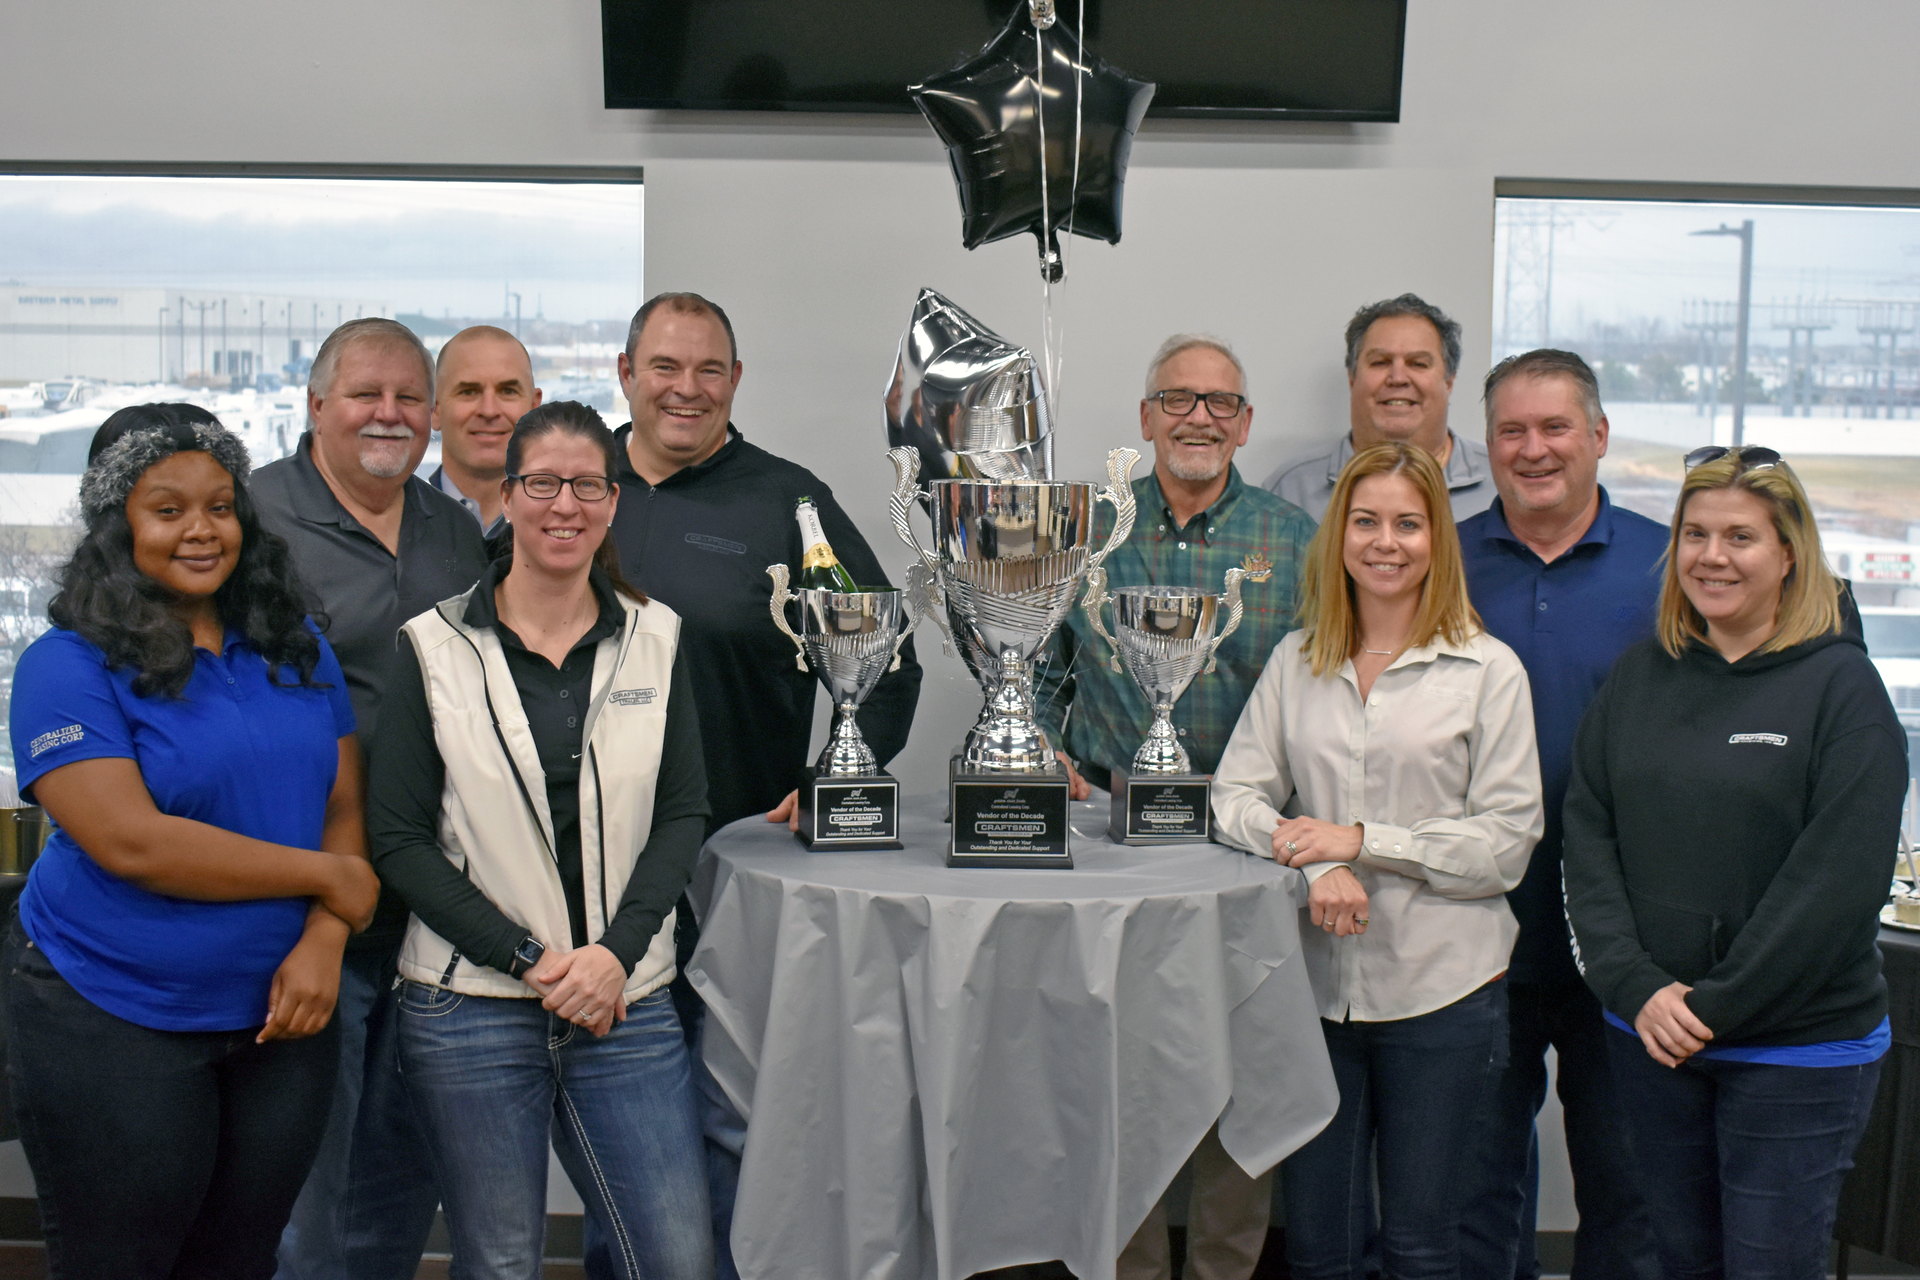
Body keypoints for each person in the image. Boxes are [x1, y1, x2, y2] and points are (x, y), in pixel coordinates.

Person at [3, 404, 377, 1279]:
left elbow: (341, 803)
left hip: (279, 1019)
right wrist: (331, 880)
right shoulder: (66, 665)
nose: (202, 531)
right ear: (115, 525)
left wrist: (325, 942)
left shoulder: (296, 646)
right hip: (113, 1011)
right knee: (124, 1263)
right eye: (166, 510)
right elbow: (132, 842)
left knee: (238, 1262)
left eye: (220, 505)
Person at [606, 290, 922, 1278]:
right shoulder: (572, 487)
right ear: (627, 374)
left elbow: (887, 652)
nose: (685, 388)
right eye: (665, 366)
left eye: (708, 370)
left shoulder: (790, 501)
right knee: (616, 1136)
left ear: (735, 382)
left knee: (732, 1120)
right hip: (588, 874)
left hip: (735, 874)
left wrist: (835, 769)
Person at [370, 401, 713, 1279]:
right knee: (502, 1261)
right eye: (544, 484)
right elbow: (400, 841)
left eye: (588, 485)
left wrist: (611, 957)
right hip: (469, 1007)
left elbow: (681, 814)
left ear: (613, 500)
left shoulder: (658, 639)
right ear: (509, 494)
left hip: (625, 1000)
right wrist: (532, 959)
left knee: (675, 1258)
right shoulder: (433, 647)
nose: (567, 505)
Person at [1563, 445, 1905, 1279]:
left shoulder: (1843, 691)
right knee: (1676, 1259)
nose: (1712, 557)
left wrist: (1714, 1006)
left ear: (1790, 552)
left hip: (1794, 1052)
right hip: (1652, 1038)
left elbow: (1835, 886)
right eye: (1695, 533)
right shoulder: (1643, 675)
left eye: (1741, 537)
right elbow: (1588, 832)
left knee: (1767, 1266)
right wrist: (1637, 987)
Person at [1213, 442, 1542, 1280]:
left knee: (1425, 1247)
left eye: (1407, 523)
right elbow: (1233, 800)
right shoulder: (1297, 661)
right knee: (1321, 1248)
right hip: (1314, 995)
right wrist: (1316, 865)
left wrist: (1361, 841)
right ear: (1340, 536)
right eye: (1365, 522)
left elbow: (1505, 846)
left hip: (1447, 994)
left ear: (1437, 539)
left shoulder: (1488, 671)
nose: (1384, 542)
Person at [1030, 333, 1315, 1280]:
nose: (1200, 417)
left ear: (1245, 425)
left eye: (1221, 403)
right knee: (1121, 1075)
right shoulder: (1091, 529)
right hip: (1112, 837)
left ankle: (1226, 1269)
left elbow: (1323, 689)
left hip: (1245, 846)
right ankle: (1133, 1267)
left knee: (1238, 1073)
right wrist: (1042, 753)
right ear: (1147, 416)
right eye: (1179, 399)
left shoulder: (1294, 539)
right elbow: (1037, 664)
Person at [254, 316, 490, 1280]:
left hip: (433, 896)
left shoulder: (454, 528)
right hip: (310, 896)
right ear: (316, 406)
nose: (388, 415)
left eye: (408, 398)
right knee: (310, 1162)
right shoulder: (254, 518)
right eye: (366, 395)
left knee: (408, 1155)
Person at [1454, 350, 1663, 1280]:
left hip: (1628, 938)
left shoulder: (1671, 563)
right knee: (1475, 1184)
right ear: (1488, 444)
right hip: (1478, 932)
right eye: (1512, 431)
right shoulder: (1436, 560)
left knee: (1628, 1186)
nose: (1533, 450)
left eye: (1555, 428)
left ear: (1599, 437)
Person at [1264, 295, 1494, 522]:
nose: (1398, 378)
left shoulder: (1500, 482)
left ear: (1449, 382)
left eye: (1418, 364)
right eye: (1380, 362)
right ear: (1352, 379)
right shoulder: (1290, 491)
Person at [431, 324, 543, 537]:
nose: (489, 410)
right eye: (469, 392)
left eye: (508, 391)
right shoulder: (394, 525)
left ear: (533, 409)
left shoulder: (570, 527)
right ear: (435, 408)